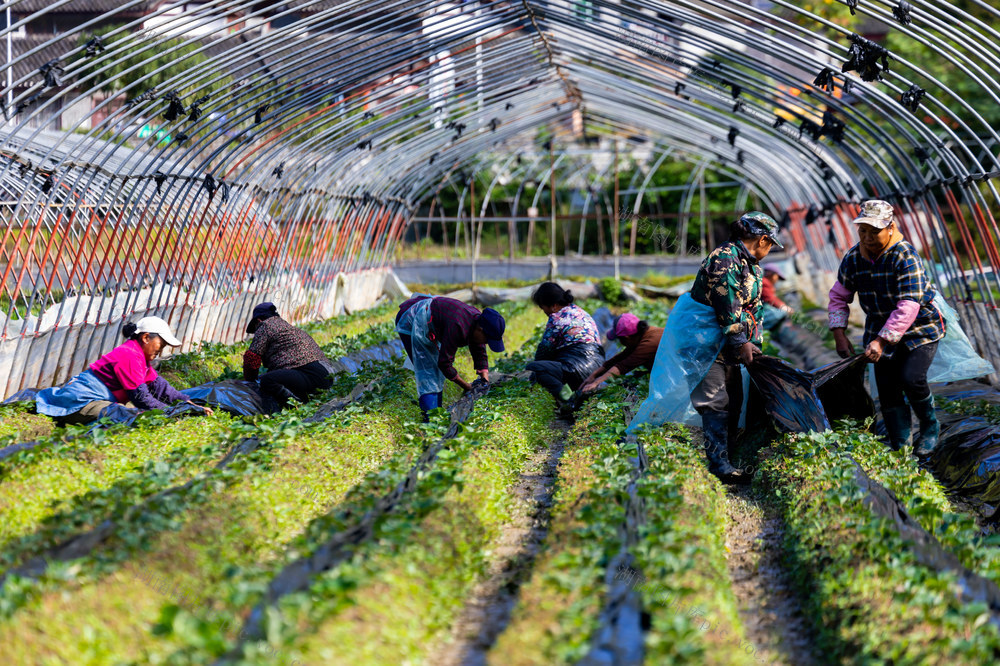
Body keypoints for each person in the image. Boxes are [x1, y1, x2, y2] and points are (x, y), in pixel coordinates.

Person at [828, 200, 945, 456]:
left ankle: (929, 426)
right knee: (888, 389)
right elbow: (839, 296)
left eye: (874, 231)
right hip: (879, 325)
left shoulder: (904, 255)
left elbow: (909, 305)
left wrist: (880, 342)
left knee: (911, 378)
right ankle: (901, 448)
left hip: (919, 329)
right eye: (863, 231)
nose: (868, 237)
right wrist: (839, 333)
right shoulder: (853, 258)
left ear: (890, 228)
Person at [688, 211, 781, 484]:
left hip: (730, 345)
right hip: (707, 343)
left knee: (734, 399)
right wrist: (742, 343)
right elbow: (728, 309)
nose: (770, 249)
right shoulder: (725, 259)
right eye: (771, 244)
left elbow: (755, 308)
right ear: (762, 239)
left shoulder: (751, 264)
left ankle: (729, 457)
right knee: (715, 400)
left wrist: (755, 343)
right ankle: (719, 464)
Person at [36, 317, 212, 424]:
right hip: (80, 402)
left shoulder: (141, 359)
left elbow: (161, 388)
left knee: (131, 411)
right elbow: (141, 398)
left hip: (97, 399)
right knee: (128, 414)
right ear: (145, 337)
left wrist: (190, 405)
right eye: (161, 344)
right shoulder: (129, 355)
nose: (162, 349)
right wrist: (174, 414)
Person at [395, 294, 506, 417]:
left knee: (434, 373)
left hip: (431, 320)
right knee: (429, 373)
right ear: (480, 329)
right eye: (487, 340)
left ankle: (437, 413)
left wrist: (485, 379)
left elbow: (478, 347)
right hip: (412, 319)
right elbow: (444, 363)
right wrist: (466, 386)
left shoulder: (477, 320)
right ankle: (430, 419)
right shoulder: (458, 325)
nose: (485, 343)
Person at [525, 282, 605, 412]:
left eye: (543, 307)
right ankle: (578, 395)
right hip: (597, 366)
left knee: (536, 368)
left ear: (554, 305)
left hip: (578, 367)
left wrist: (533, 377)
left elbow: (544, 351)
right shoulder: (580, 312)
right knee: (557, 364)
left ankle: (570, 401)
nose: (544, 311)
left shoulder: (556, 317)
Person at [243, 302, 334, 408]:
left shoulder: (265, 325)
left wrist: (250, 381)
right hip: (326, 374)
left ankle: (296, 406)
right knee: (272, 377)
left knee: (267, 380)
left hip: (311, 374)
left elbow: (252, 357)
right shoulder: (287, 327)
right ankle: (306, 399)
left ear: (258, 320)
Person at [581, 312, 664, 393]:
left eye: (620, 339)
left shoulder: (649, 343)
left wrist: (596, 383)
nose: (621, 343)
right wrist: (593, 375)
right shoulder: (644, 334)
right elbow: (619, 358)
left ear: (626, 338)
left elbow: (623, 366)